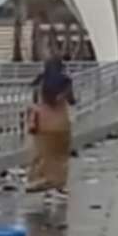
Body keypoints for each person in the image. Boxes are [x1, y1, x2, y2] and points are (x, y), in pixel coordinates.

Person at [27, 54, 76, 197]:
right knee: (60, 156)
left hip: (42, 123)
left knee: (42, 155)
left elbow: (34, 102)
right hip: (60, 124)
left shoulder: (39, 81)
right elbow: (72, 100)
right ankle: (59, 185)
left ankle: (40, 182)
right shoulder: (66, 81)